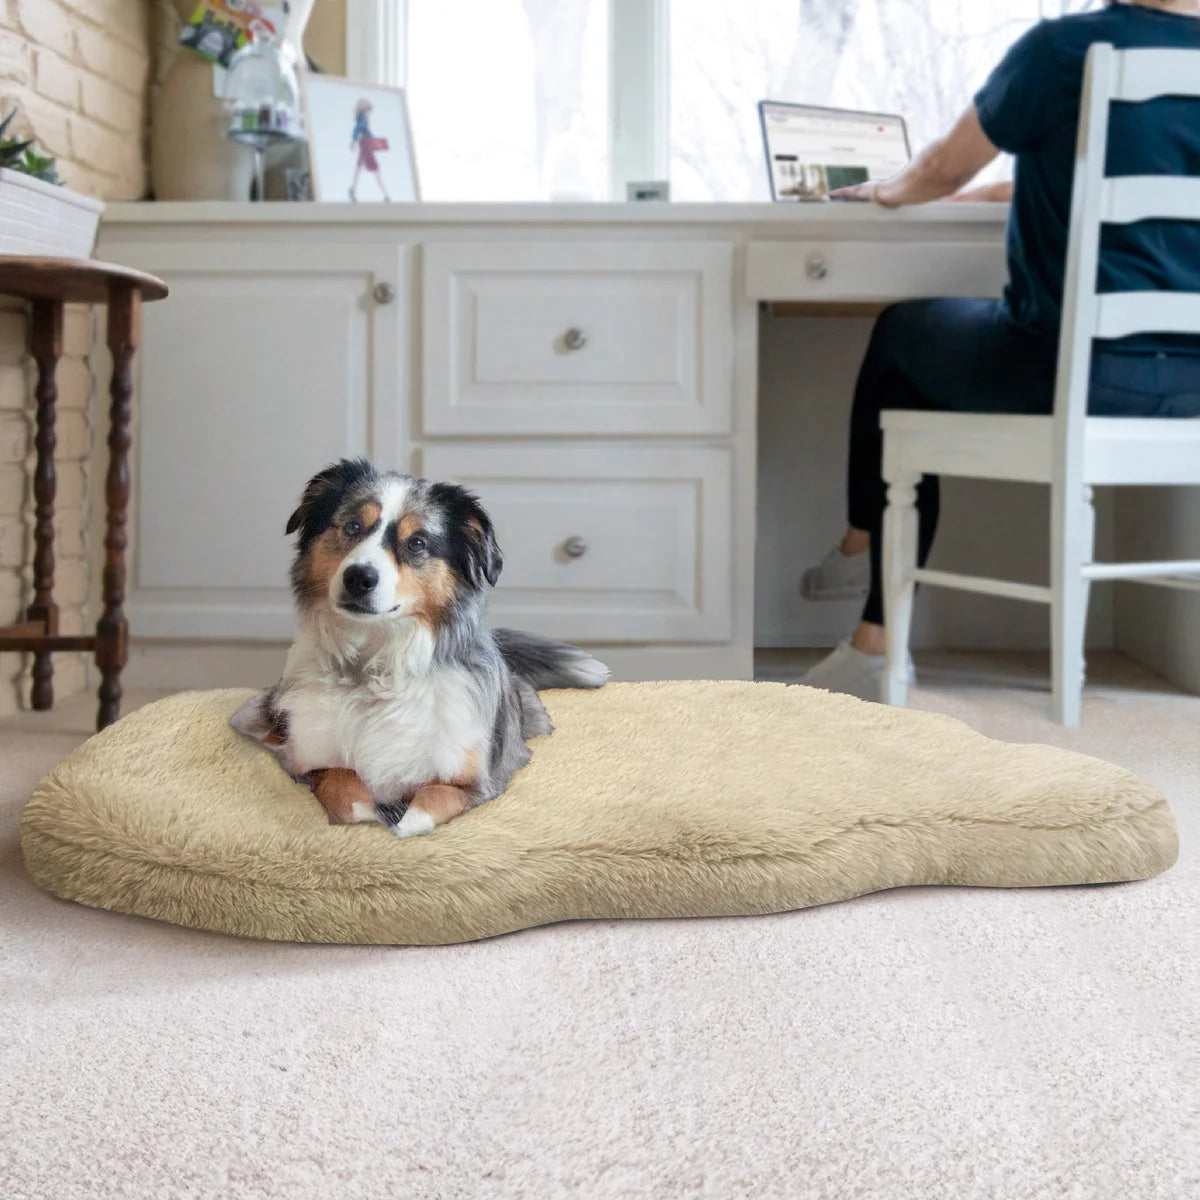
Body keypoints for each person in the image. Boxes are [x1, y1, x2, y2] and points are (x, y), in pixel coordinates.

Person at [799, 0, 1200, 700]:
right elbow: (1105, 177)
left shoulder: (1065, 48)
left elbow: (944, 167)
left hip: (1073, 374)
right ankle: (865, 595)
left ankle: (864, 560)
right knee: (918, 342)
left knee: (900, 334)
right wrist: (980, 196)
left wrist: (888, 191)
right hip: (1188, 385)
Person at [350, 98, 390, 202]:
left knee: (359, 166)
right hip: (366, 142)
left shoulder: (363, 116)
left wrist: (375, 140)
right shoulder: (362, 117)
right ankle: (385, 194)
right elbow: (358, 129)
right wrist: (354, 141)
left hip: (366, 142)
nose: (370, 114)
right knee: (374, 167)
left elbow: (364, 130)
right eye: (368, 111)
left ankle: (352, 189)